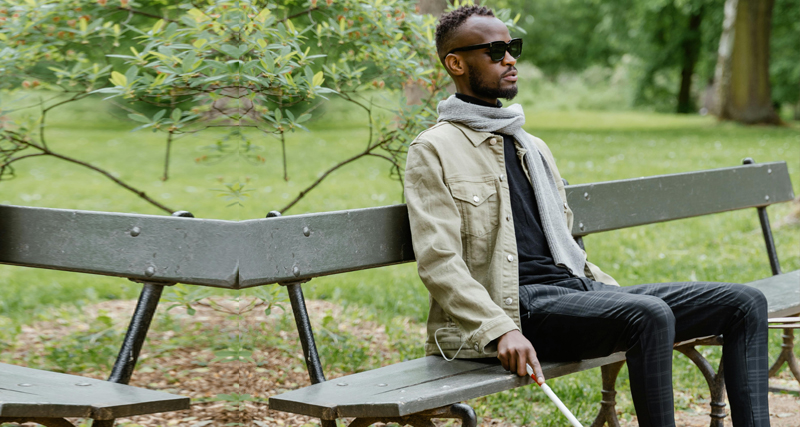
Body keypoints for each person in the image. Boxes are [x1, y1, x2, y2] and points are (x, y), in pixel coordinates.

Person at [403, 5, 770, 427]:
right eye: (495, 51)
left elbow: (566, 242)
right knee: (647, 314)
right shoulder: (434, 150)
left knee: (744, 303)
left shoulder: (531, 145)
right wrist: (499, 328)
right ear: (456, 62)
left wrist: (607, 293)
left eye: (513, 47)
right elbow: (438, 262)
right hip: (517, 308)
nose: (510, 59)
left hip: (576, 290)